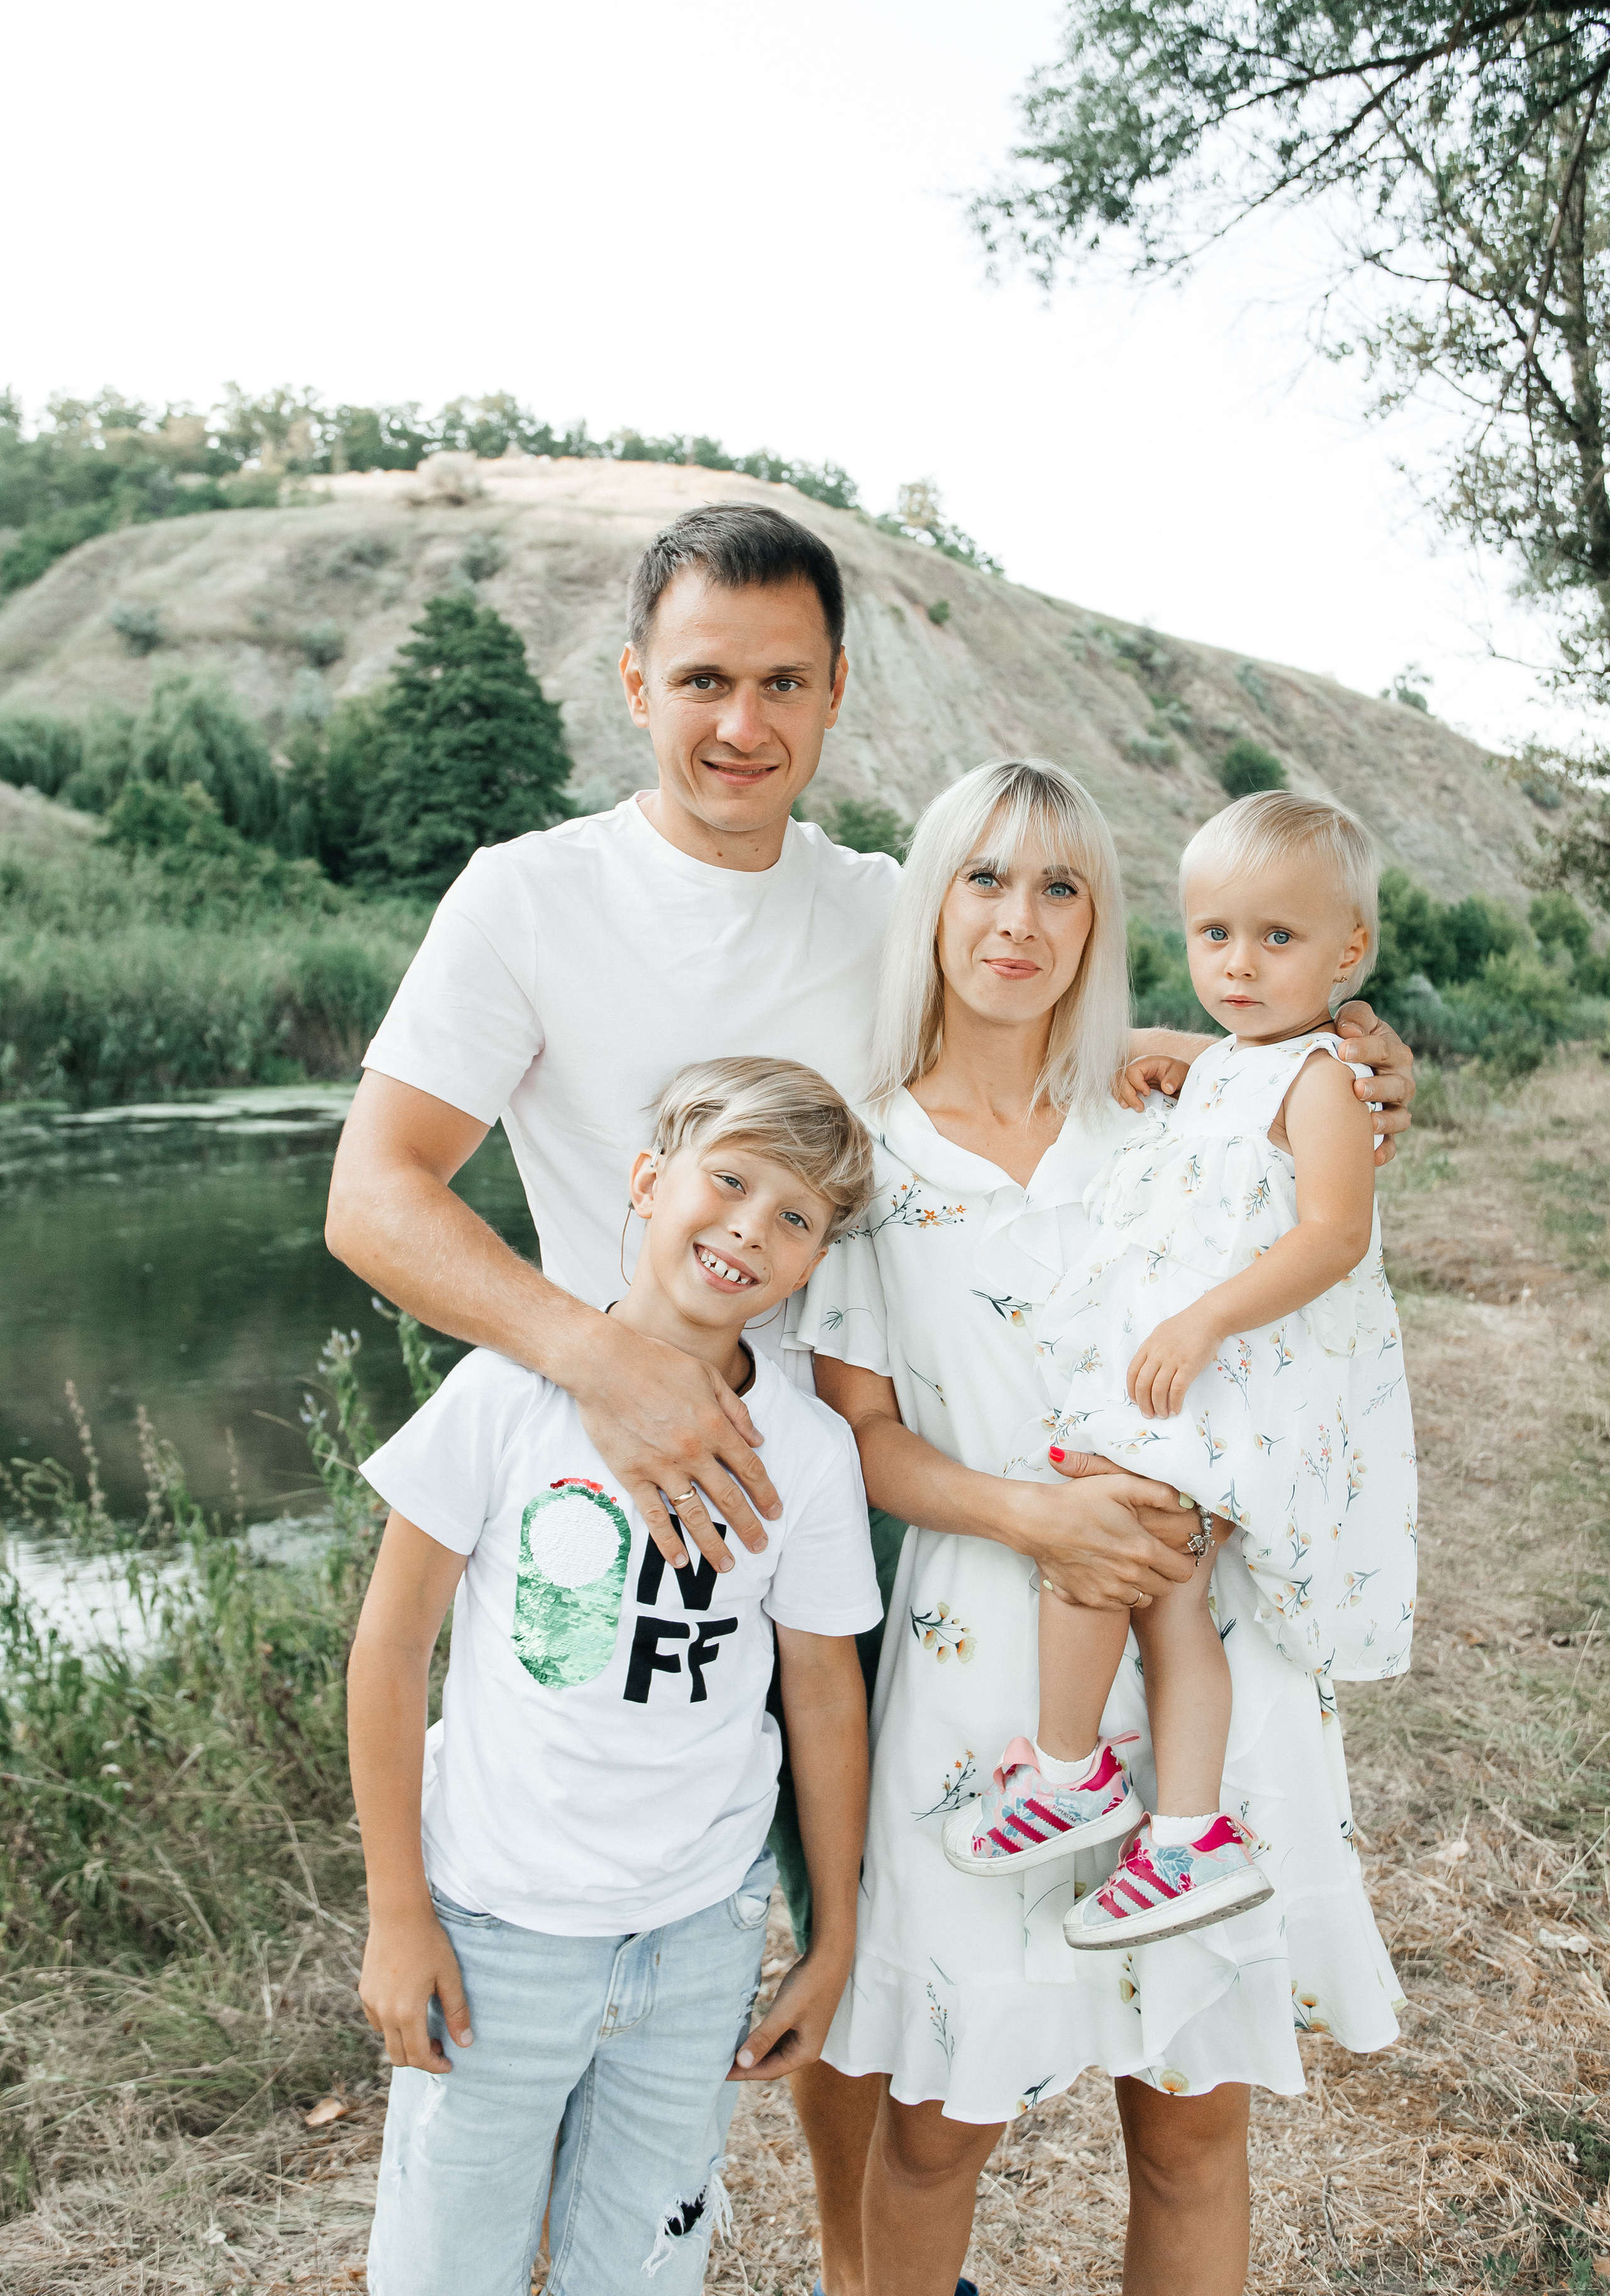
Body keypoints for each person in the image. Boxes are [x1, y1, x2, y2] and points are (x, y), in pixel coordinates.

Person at [325, 499, 1418, 2295]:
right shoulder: (529, 894)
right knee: (773, 1943)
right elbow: (375, 1195)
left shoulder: (877, 901)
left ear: (836, 695)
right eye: (699, 680)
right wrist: (602, 1364)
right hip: (663, 1485)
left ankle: (861, 2265)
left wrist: (1319, 1072)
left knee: (868, 1944)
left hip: (847, 1498)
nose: (739, 721)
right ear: (634, 684)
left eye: (780, 682)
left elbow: (1177, 1020)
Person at [801, 759, 1407, 2296]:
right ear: (929, 899)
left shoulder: (1169, 1109)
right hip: (988, 1667)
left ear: (1102, 917)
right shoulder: (863, 1156)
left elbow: (1316, 1171)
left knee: (1191, 2130)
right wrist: (1033, 1513)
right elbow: (857, 1438)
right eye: (983, 878)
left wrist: (1361, 1066)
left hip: (1193, 1638)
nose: (1018, 919)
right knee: (939, 2128)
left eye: (1060, 885)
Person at [349, 1059, 884, 2295]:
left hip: (697, 1936)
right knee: (444, 2273)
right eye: (730, 1181)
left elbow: (819, 1691)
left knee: (640, 2269)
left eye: (795, 1217)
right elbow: (388, 1649)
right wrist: (396, 1916)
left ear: (813, 1263)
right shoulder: (504, 1397)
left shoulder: (804, 1451)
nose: (751, 1227)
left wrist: (833, 1931)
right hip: (497, 1933)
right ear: (648, 1183)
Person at [941, 791, 1416, 1963]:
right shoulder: (1239, 1069)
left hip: (1223, 1387)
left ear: (1348, 951)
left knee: (1093, 1555)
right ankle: (1192, 1835)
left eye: (1278, 938)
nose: (1240, 964)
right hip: (1190, 1390)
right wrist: (1174, 1054)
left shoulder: (1324, 1083)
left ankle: (1073, 1773)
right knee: (1169, 1608)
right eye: (1215, 936)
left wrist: (1203, 1321)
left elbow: (1333, 1237)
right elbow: (1233, 1076)